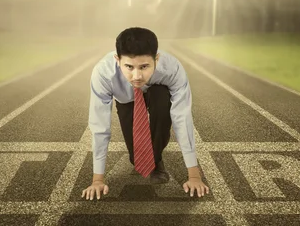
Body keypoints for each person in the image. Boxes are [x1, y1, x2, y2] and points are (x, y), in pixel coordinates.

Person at [81, 27, 210, 201]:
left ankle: (155, 160)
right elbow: (99, 125)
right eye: (129, 67)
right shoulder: (103, 73)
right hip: (126, 98)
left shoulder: (172, 69)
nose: (137, 76)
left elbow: (182, 117)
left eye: (144, 66)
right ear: (117, 60)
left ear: (156, 59)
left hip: (158, 95)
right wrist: (97, 180)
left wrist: (194, 176)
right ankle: (145, 160)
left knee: (160, 95)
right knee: (136, 158)